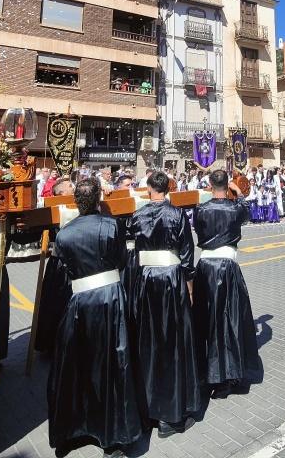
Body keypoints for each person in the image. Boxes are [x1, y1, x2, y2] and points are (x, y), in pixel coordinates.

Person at [48, 177, 143, 458]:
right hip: (110, 298)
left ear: (76, 202)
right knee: (113, 364)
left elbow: (64, 271)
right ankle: (114, 437)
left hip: (80, 302)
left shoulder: (64, 234)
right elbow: (121, 261)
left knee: (76, 365)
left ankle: (72, 430)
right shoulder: (111, 225)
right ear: (99, 198)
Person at [128, 171, 201, 437]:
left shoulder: (137, 215)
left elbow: (130, 249)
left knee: (148, 340)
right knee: (173, 341)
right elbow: (187, 253)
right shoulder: (177, 215)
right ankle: (171, 413)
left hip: (147, 279)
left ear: (149, 189)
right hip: (171, 279)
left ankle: (147, 407)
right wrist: (190, 286)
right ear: (168, 188)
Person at [192, 169, 262, 397]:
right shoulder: (235, 208)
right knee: (230, 320)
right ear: (227, 185)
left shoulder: (200, 209)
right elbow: (247, 211)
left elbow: (198, 230)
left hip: (205, 266)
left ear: (210, 184)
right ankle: (229, 373)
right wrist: (238, 191)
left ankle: (205, 372)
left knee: (205, 319)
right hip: (227, 266)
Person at [34, 177, 74, 358]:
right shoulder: (53, 210)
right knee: (55, 304)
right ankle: (52, 344)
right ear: (61, 193)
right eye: (70, 186)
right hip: (60, 265)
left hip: (79, 263)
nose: (73, 187)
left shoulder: (80, 205)